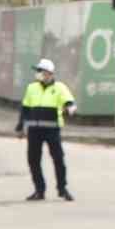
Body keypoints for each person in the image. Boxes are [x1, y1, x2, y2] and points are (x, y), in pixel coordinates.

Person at [16, 57, 76, 202]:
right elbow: (25, 109)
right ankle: (39, 190)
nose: (38, 73)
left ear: (49, 73)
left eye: (40, 71)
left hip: (52, 130)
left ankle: (62, 189)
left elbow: (70, 104)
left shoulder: (60, 88)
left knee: (58, 159)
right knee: (33, 160)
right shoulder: (32, 88)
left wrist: (70, 110)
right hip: (34, 130)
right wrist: (20, 126)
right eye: (37, 71)